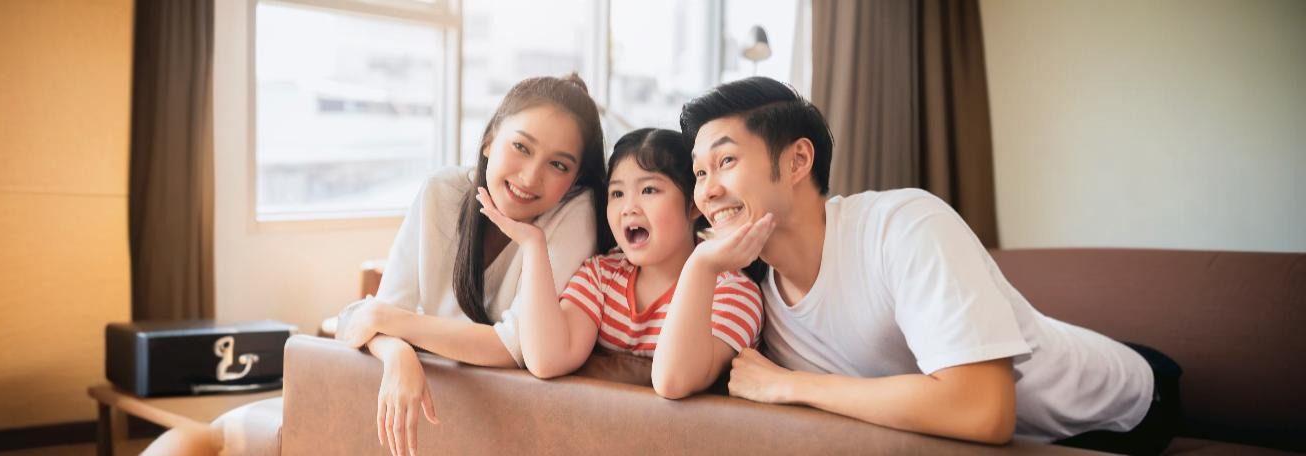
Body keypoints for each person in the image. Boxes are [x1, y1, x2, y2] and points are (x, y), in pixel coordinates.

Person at [681, 76, 1179, 454]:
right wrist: (699, 266)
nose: (707, 190)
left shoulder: (903, 225)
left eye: (725, 162)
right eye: (699, 171)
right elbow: (672, 383)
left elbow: (983, 409)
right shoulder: (745, 284)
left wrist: (789, 386)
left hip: (1118, 409)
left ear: (797, 161)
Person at [330, 73, 614, 456]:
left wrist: (393, 323)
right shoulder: (441, 192)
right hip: (438, 424)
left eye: (559, 166)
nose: (530, 177)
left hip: (516, 430)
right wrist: (398, 355)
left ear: (576, 178)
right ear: (489, 140)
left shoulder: (574, 215)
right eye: (521, 147)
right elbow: (369, 318)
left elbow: (515, 348)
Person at [477, 127, 766, 399]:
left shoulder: (733, 291)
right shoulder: (601, 276)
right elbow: (547, 360)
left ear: (692, 205)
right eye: (617, 193)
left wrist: (700, 266)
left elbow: (675, 381)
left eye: (649, 190)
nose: (629, 208)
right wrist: (533, 245)